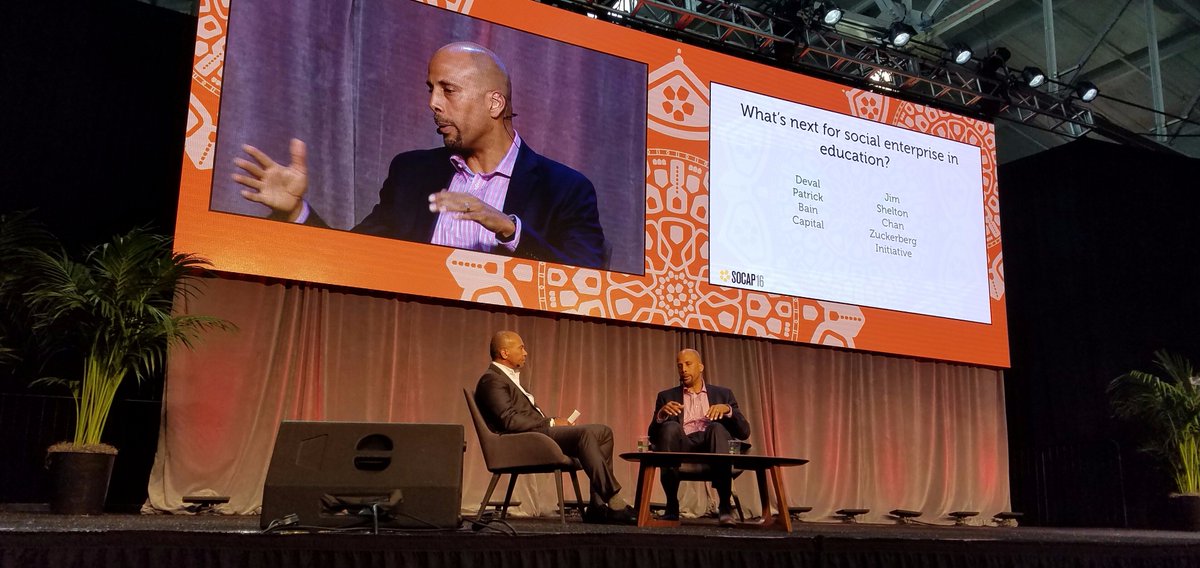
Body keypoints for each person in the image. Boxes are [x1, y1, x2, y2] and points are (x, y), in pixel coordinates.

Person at [232, 42, 606, 268]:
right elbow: (351, 260)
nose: (433, 103)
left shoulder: (564, 189)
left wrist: (510, 230)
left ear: (494, 103)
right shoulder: (411, 173)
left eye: (448, 90)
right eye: (431, 89)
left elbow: (588, 283)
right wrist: (296, 212)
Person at [474, 330, 634, 524]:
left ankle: (597, 505)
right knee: (584, 434)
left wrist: (554, 424)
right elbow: (509, 421)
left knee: (603, 432)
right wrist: (550, 422)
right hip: (522, 442)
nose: (525, 353)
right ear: (504, 353)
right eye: (521, 348)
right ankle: (614, 500)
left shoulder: (507, 378)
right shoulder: (491, 380)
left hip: (537, 435)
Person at [648, 348, 751, 526]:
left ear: (701, 367)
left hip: (712, 444)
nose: (683, 369)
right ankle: (671, 505)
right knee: (670, 427)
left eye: (688, 364)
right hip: (682, 444)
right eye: (680, 366)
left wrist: (728, 410)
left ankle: (725, 507)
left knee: (717, 428)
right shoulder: (666, 396)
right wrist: (661, 415)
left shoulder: (723, 394)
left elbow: (744, 432)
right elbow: (652, 435)